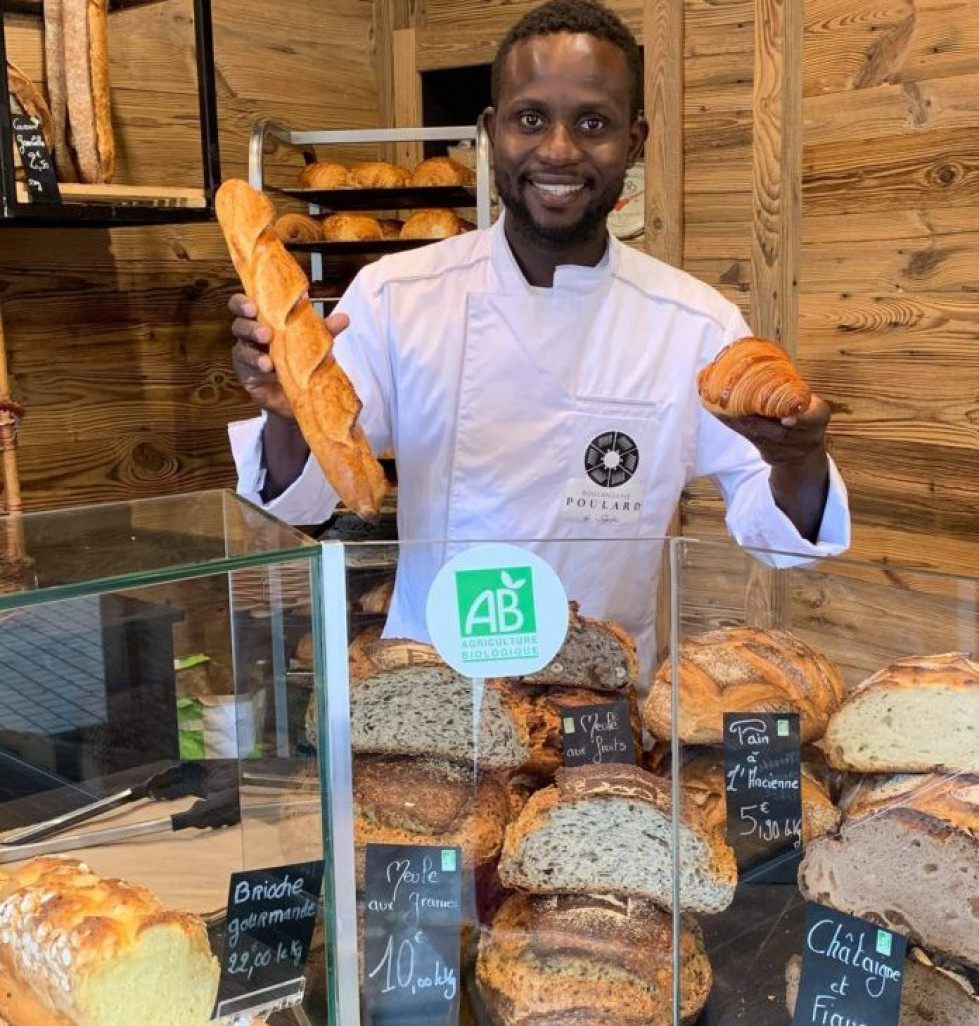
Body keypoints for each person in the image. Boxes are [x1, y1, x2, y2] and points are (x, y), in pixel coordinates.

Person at [228, 0, 849, 672]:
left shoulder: (693, 323)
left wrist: (797, 459)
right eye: (530, 119)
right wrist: (286, 414)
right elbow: (319, 495)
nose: (558, 149)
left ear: (633, 142)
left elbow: (780, 540)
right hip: (434, 692)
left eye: (592, 123)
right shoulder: (395, 294)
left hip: (600, 704)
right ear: (491, 133)